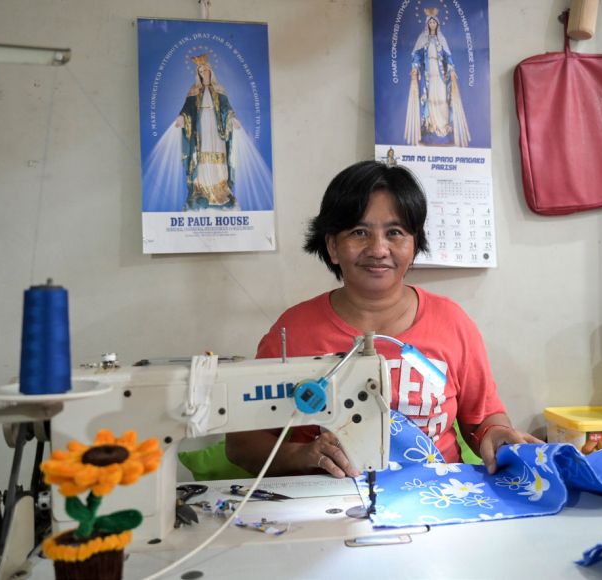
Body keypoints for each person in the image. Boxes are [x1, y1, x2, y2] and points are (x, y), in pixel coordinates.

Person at [226, 160, 540, 479]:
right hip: (331, 498)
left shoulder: (452, 323)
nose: (378, 249)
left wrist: (496, 435)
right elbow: (241, 444)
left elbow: (483, 419)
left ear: (414, 244)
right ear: (332, 246)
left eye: (395, 233)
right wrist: (302, 455)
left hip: (438, 496)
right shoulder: (294, 331)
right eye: (359, 232)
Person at [175, 54, 240, 210]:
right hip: (201, 128)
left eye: (205, 70)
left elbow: (226, 108)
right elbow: (187, 109)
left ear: (211, 71)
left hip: (216, 128)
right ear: (198, 74)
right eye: (200, 71)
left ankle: (220, 192)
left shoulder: (219, 89)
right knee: (201, 155)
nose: (203, 73)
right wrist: (182, 117)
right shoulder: (194, 91)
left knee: (217, 153)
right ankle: (202, 191)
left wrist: (232, 119)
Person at [404, 9, 470, 148]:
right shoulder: (423, 39)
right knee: (430, 99)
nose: (432, 24)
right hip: (429, 75)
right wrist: (415, 67)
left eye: (434, 22)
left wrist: (451, 70)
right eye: (430, 22)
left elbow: (448, 57)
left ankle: (443, 126)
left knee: (442, 98)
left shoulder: (441, 39)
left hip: (440, 74)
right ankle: (432, 126)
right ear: (427, 24)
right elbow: (417, 56)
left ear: (437, 24)